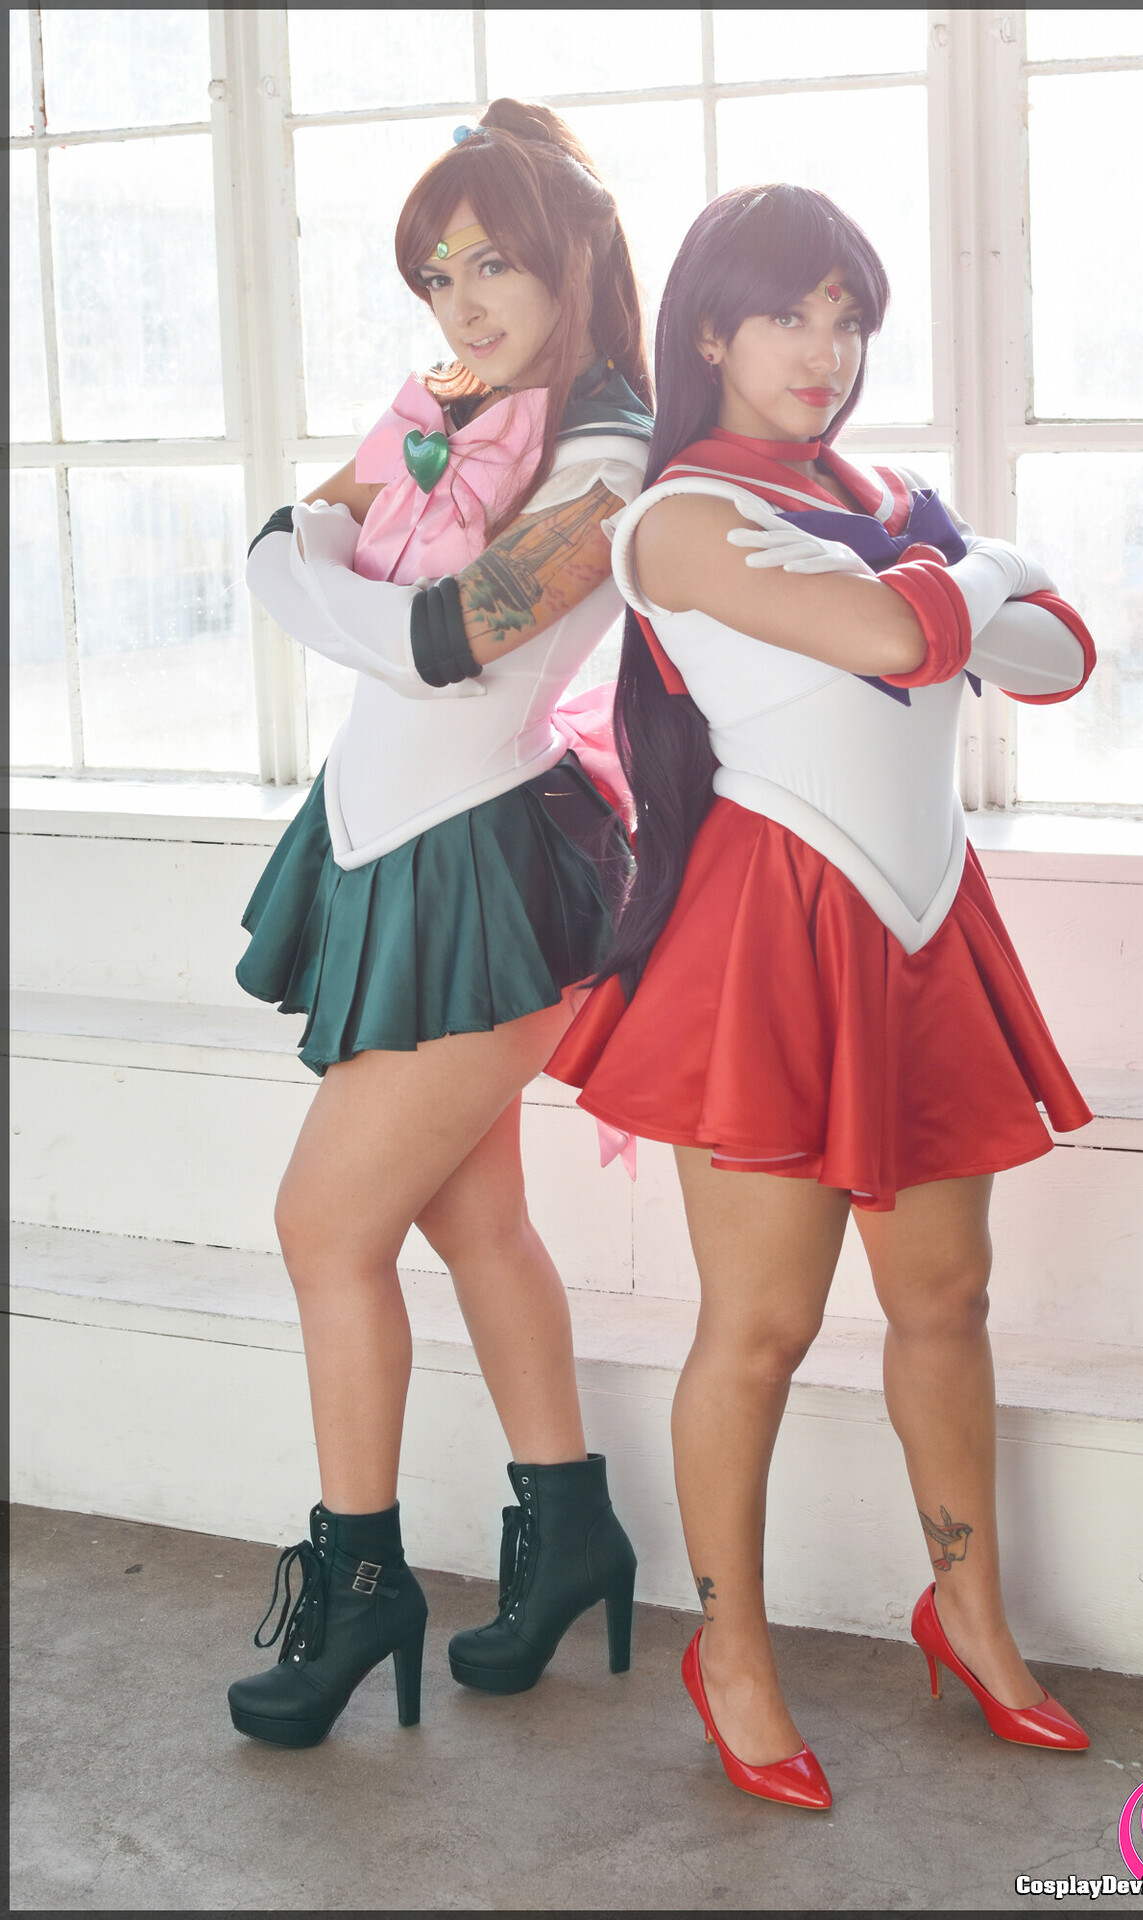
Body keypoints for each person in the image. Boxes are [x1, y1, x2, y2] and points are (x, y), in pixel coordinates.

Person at [548, 184, 1097, 1809]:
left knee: (949, 1301)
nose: (825, 350)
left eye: (848, 319)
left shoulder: (881, 497)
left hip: (924, 923)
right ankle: (732, 1655)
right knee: (763, 1327)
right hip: (771, 936)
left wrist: (955, 579)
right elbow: (903, 640)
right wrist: (989, 563)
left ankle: (969, 1615)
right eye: (790, 315)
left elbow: (1060, 661)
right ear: (713, 330)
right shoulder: (680, 518)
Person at [226, 98, 652, 1748]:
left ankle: (361, 1586)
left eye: (493, 267)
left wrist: (303, 571)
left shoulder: (607, 460)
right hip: (394, 851)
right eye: (437, 272)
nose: (460, 304)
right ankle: (572, 1530)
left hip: (488, 864)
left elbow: (430, 639)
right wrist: (304, 559)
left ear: (571, 264)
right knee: (476, 1223)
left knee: (322, 1229)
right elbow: (292, 534)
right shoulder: (457, 405)